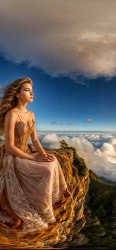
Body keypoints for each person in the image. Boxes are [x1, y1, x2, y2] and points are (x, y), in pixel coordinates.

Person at [0, 77, 69, 232]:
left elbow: (35, 139)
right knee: (46, 170)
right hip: (14, 156)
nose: (32, 93)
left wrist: (43, 155)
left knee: (53, 161)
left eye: (32, 91)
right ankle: (40, 208)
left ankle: (45, 203)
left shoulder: (31, 114)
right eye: (27, 90)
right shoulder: (11, 114)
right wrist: (33, 158)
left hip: (28, 150)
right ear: (17, 94)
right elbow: (10, 147)